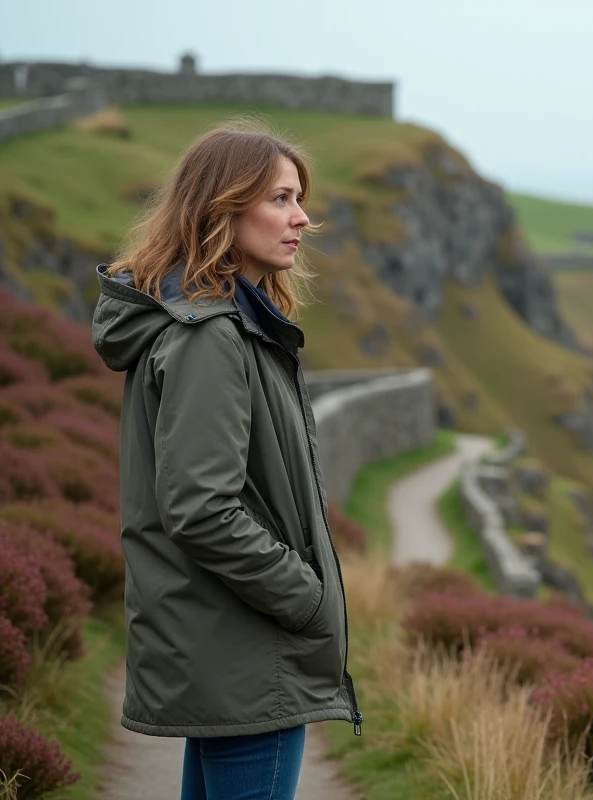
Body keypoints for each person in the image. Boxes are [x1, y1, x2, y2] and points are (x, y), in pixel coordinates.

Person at [91, 120, 363, 800]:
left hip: (227, 647)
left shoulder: (227, 325)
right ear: (223, 206)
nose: (302, 217)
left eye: (299, 198)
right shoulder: (210, 337)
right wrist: (305, 599)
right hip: (247, 651)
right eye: (279, 198)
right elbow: (201, 509)